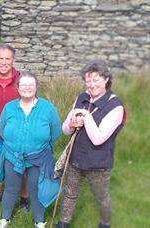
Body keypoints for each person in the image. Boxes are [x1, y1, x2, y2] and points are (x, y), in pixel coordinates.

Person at [55, 60, 125, 228]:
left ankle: (105, 223)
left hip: (99, 163)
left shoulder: (116, 106)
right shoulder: (81, 97)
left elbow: (98, 138)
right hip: (76, 157)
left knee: (101, 197)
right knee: (70, 194)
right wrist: (72, 124)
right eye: (88, 80)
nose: (91, 85)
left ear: (106, 79)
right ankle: (63, 223)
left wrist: (86, 116)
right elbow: (65, 129)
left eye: (96, 80)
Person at [0, 72, 62, 228]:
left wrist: (39, 146)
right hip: (13, 156)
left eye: (31, 84)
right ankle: (5, 219)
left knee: (35, 187)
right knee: (11, 188)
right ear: (18, 88)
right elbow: (2, 130)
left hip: (38, 158)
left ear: (36, 87)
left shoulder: (48, 108)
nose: (27, 87)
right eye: (23, 84)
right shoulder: (9, 107)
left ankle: (39, 221)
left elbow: (56, 133)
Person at [0, 43, 29, 212]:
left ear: (13, 60)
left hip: (19, 135)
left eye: (7, 59)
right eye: (0, 58)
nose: (3, 62)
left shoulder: (22, 81)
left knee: (22, 168)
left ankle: (24, 200)